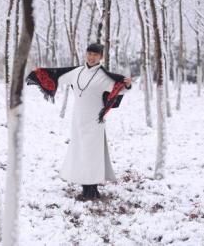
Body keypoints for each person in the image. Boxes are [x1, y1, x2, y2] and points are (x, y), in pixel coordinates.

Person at [26, 43, 132, 200]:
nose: (91, 57)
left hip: (95, 120)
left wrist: (127, 85)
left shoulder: (104, 76)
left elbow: (119, 87)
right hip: (78, 119)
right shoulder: (76, 72)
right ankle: (85, 187)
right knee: (81, 152)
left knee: (92, 154)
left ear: (101, 57)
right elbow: (57, 77)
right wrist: (38, 73)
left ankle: (92, 189)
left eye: (95, 55)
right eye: (89, 53)